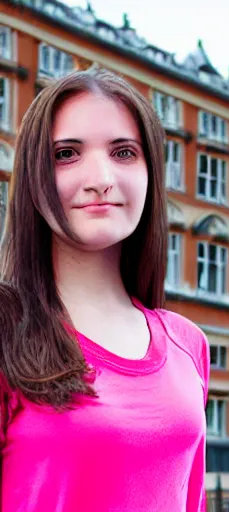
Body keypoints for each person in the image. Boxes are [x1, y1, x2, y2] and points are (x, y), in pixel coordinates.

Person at [0, 68, 210, 512]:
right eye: (67, 153)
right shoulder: (5, 328)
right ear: (34, 173)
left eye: (124, 152)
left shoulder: (187, 345)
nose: (100, 178)